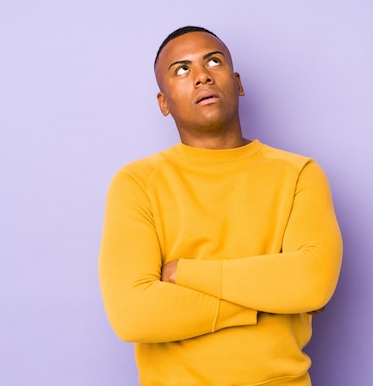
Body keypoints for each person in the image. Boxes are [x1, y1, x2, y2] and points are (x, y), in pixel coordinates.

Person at [99, 26, 342, 386]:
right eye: (181, 69)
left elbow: (311, 283)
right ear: (163, 103)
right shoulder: (137, 182)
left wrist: (185, 273)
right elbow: (133, 315)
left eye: (214, 61)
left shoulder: (299, 174)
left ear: (237, 82)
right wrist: (271, 299)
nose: (201, 76)